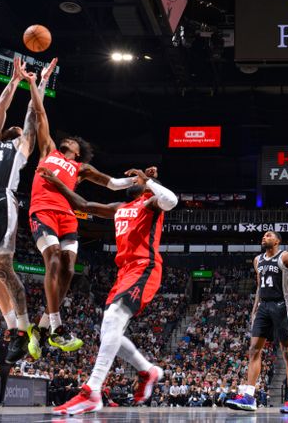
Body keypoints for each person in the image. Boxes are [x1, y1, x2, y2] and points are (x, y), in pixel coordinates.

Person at [36, 166, 177, 415]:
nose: (132, 180)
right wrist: (58, 182)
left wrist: (149, 181)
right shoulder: (119, 208)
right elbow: (85, 204)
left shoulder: (150, 203)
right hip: (124, 272)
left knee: (112, 320)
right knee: (108, 332)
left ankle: (92, 391)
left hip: (145, 268)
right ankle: (148, 369)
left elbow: (172, 200)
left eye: (137, 180)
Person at [27, 90, 146, 358]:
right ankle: (57, 327)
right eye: (67, 139)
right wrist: (36, 84)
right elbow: (40, 114)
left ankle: (41, 327)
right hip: (43, 211)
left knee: (69, 269)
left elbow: (113, 183)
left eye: (73, 141)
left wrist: (139, 180)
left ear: (79, 152)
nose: (67, 139)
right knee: (54, 260)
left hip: (67, 216)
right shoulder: (48, 150)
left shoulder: (81, 169)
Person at [0, 56, 52, 363]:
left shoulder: (23, 145)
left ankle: (23, 329)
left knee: (3, 268)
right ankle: (12, 326)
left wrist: (38, 83)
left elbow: (33, 113)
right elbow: (0, 108)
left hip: (2, 200)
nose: (13, 126)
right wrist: (14, 81)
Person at [226, 231, 288, 413]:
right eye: (263, 236)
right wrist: (255, 309)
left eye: (269, 235)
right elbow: (259, 286)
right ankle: (249, 396)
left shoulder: (285, 256)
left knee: (287, 352)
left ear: (277, 241)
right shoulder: (258, 260)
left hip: (281, 305)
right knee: (254, 349)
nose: (264, 237)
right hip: (264, 306)